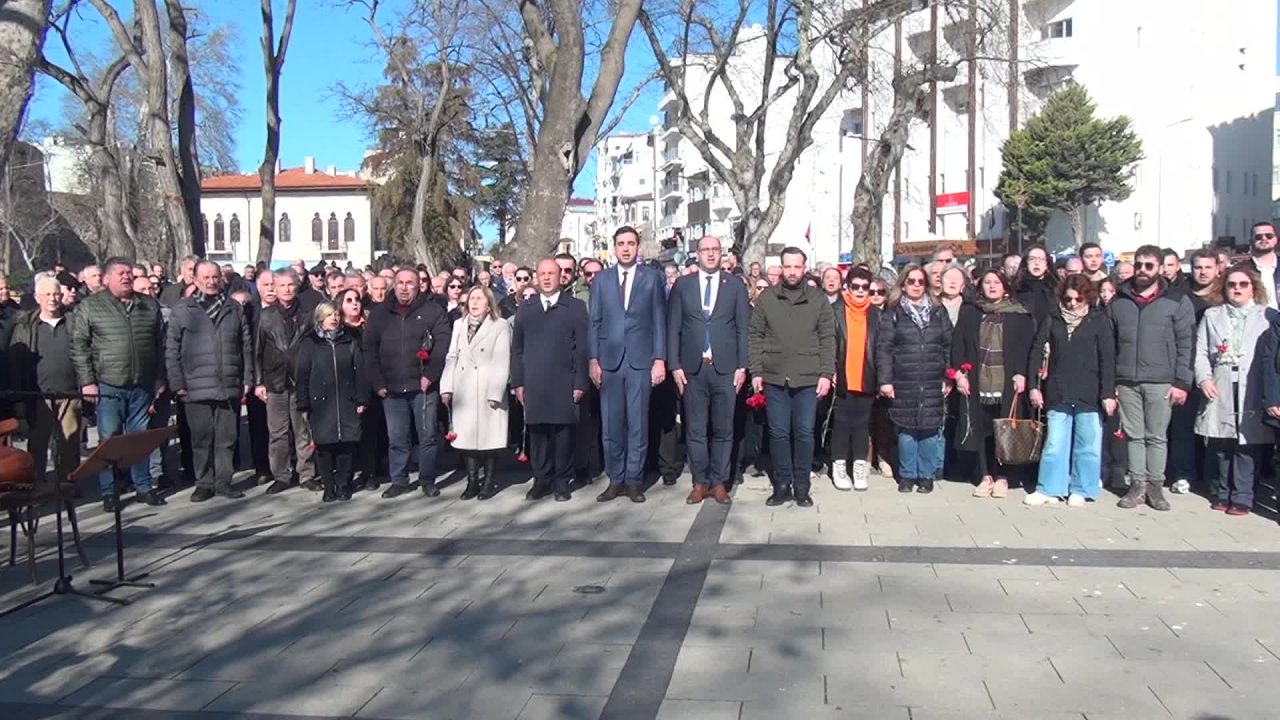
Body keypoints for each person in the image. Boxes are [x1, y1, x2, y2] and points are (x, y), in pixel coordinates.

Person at [71, 257, 168, 511]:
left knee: (139, 439)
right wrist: (87, 382)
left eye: (129, 273)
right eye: (120, 273)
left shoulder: (148, 305)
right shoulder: (91, 307)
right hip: (108, 385)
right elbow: (80, 347)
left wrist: (159, 377)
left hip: (142, 384)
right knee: (109, 439)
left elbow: (160, 344)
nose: (126, 277)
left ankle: (143, 487)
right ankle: (109, 491)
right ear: (106, 279)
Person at [1109, 245, 1195, 511]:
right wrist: (1110, 383)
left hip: (1162, 380)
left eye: (1149, 265)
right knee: (1134, 436)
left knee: (1156, 436)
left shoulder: (1177, 300)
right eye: (1139, 265)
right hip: (1126, 379)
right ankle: (1137, 485)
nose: (1143, 271)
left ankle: (1155, 486)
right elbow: (1110, 343)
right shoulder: (1119, 300)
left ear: (1160, 268)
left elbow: (1186, 343)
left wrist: (1182, 382)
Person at [748, 247, 835, 507]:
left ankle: (802, 486)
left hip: (808, 378)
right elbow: (755, 336)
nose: (793, 272)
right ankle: (782, 485)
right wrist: (757, 370)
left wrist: (826, 373)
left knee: (805, 433)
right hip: (775, 377)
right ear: (781, 268)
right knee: (778, 433)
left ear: (804, 267)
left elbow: (828, 338)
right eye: (788, 267)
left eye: (797, 267)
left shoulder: (817, 299)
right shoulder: (767, 299)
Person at [668, 235, 749, 504]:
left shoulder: (735, 286)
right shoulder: (683, 285)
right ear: (697, 254)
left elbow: (742, 328)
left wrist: (742, 366)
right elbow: (673, 328)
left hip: (725, 368)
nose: (711, 255)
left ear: (722, 254)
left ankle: (719, 481)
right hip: (692, 368)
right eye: (705, 250)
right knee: (696, 429)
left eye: (715, 250)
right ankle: (699, 481)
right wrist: (675, 365)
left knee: (724, 429)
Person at [590, 226, 667, 503]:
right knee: (611, 425)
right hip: (609, 361)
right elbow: (595, 321)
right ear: (614, 248)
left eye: (631, 243)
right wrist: (593, 359)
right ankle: (616, 479)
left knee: (637, 423)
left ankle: (634, 480)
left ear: (638, 248)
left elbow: (660, 320)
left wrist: (659, 359)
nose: (625, 248)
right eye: (621, 243)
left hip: (640, 361)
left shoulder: (652, 278)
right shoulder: (601, 280)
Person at [1193, 265, 1277, 516]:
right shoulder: (1212, 315)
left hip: (1252, 384)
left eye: (1243, 284)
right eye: (1232, 284)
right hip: (1221, 382)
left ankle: (1243, 495)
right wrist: (1204, 379)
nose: (1237, 289)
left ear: (1253, 288)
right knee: (1221, 442)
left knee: (1246, 444)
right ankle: (1221, 491)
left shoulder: (1268, 316)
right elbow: (1201, 352)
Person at [165, 261, 253, 502]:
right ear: (195, 279)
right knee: (201, 438)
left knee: (227, 437)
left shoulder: (234, 308)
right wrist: (177, 382)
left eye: (215, 277)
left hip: (228, 383)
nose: (211, 281)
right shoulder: (183, 310)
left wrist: (247, 378)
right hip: (195, 385)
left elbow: (246, 346)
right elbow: (171, 348)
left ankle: (224, 481)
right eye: (206, 277)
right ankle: (203, 482)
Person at [1026, 275, 1116, 506]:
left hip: (1090, 391)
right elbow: (1037, 350)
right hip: (1058, 389)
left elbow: (1107, 359)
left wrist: (1107, 393)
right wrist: (1034, 387)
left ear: (1088, 297)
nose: (1073, 304)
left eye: (1078, 299)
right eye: (1068, 299)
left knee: (1088, 444)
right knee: (1054, 443)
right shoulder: (1053, 318)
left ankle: (1082, 488)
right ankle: (1049, 488)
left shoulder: (1099, 320)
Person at [365, 268, 452, 498]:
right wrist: (378, 382)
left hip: (423, 385)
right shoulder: (379, 314)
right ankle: (399, 480)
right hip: (391, 387)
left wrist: (431, 375)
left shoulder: (432, 311)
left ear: (418, 286)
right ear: (394, 285)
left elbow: (443, 344)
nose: (404, 287)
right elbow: (369, 350)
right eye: (400, 283)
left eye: (409, 283)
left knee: (428, 436)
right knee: (397, 438)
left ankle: (427, 479)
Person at [952, 270, 1036, 498]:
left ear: (1005, 286)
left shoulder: (1019, 315)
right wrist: (960, 374)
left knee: (1004, 429)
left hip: (1007, 381)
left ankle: (1003, 477)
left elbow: (1026, 348)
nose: (991, 286)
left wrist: (1021, 374)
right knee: (982, 429)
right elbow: (958, 343)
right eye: (987, 282)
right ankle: (985, 475)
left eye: (996, 282)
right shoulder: (971, 312)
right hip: (978, 380)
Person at [512, 259, 589, 501]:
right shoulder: (527, 308)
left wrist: (580, 383)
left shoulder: (575, 307)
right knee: (538, 434)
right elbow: (517, 349)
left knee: (563, 434)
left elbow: (582, 349)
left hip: (564, 381)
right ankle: (541, 479)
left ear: (561, 277)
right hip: (534, 382)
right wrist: (518, 382)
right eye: (542, 274)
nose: (546, 278)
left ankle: (561, 481)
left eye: (551, 274)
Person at [877, 265, 952, 494]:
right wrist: (885, 380)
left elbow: (948, 345)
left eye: (921, 282)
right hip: (904, 378)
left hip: (932, 377)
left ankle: (926, 475)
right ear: (903, 284)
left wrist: (948, 375)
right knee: (907, 430)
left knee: (929, 429)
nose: (916, 286)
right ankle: (907, 475)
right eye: (912, 281)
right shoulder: (894, 311)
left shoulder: (939, 311)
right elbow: (884, 348)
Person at [9, 275, 82, 488]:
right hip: (38, 397)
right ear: (37, 297)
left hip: (69, 394)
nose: (52, 298)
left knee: (70, 444)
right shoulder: (26, 326)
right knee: (38, 444)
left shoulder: (73, 322)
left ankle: (68, 483)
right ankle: (37, 484)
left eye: (56, 294)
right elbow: (18, 365)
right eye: (47, 294)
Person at [441, 286, 512, 500]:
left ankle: (489, 481)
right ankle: (472, 481)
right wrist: (447, 387)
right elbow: (451, 356)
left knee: (490, 440)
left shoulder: (499, 326)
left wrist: (495, 392)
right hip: (464, 389)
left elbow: (502, 359)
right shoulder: (459, 325)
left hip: (488, 387)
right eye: (471, 298)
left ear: (488, 303)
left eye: (479, 299)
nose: (474, 302)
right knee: (466, 440)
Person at [255, 269, 319, 495]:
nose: (287, 290)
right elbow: (258, 350)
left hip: (301, 378)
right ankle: (281, 474)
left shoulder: (308, 313)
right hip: (275, 380)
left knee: (303, 429)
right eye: (281, 286)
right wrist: (258, 382)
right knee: (278, 432)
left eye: (290, 285)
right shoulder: (265, 315)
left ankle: (306, 474)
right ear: (274, 287)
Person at [296, 302, 368, 502]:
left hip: (346, 399)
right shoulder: (310, 343)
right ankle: (329, 486)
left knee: (346, 445)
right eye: (329, 315)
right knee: (325, 447)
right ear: (320, 318)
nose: (334, 318)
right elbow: (302, 374)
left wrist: (362, 398)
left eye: (336, 314)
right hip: (320, 403)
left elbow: (360, 371)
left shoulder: (349, 340)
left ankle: (344, 484)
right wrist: (303, 403)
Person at [828, 266, 881, 492]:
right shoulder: (834, 310)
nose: (860, 291)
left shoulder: (877, 314)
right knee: (841, 424)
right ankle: (839, 467)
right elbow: (827, 342)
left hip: (867, 375)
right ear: (847, 287)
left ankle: (859, 467)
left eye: (865, 287)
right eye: (855, 286)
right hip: (842, 375)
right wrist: (829, 369)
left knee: (862, 424)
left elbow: (882, 347)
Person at [1014, 244, 1057, 326]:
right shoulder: (1016, 289)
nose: (1037, 263)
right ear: (1025, 263)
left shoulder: (1056, 289)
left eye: (1041, 259)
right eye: (1032, 259)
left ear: (1047, 264)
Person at [1247, 220, 1279, 310]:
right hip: (1254, 320)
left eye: (1269, 236)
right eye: (1258, 237)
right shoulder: (1242, 270)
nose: (1264, 239)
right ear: (1251, 241)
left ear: (1276, 239)